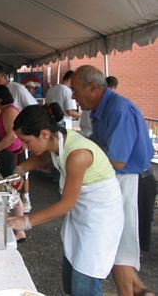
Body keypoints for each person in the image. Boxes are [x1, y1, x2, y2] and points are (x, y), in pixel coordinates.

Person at [9, 103, 124, 296]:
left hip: (99, 220)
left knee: (84, 282)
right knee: (71, 277)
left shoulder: (78, 154)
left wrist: (26, 221)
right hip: (81, 213)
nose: (25, 147)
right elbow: (43, 158)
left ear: (44, 134)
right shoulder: (57, 141)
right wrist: (19, 170)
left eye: (26, 141)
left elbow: (66, 204)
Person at [71, 65, 155, 296]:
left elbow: (116, 160)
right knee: (116, 248)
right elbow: (97, 147)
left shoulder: (119, 109)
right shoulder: (100, 109)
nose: (73, 96)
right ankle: (140, 292)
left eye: (76, 90)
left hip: (132, 182)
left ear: (94, 88)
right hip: (117, 182)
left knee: (120, 248)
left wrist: (77, 164)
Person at [0, 85, 27, 241]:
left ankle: (20, 231)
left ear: (0, 98)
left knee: (12, 192)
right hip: (5, 154)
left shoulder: (10, 111)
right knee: (9, 190)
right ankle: (14, 227)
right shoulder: (4, 110)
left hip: (11, 155)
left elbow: (12, 136)